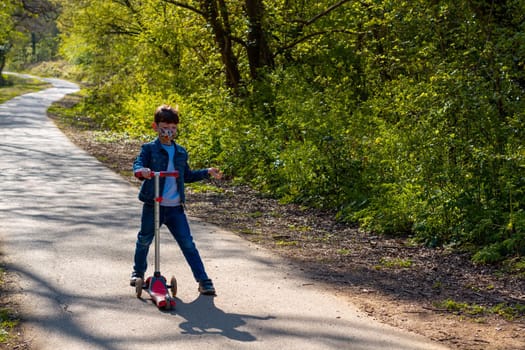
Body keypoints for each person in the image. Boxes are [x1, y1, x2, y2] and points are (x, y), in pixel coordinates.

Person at [130, 104, 222, 295]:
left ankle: (203, 280)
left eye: (173, 128)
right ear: (155, 127)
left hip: (174, 207)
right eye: (165, 126)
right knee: (145, 239)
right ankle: (138, 272)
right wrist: (142, 172)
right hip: (153, 204)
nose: (169, 131)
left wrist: (207, 172)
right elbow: (138, 165)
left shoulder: (180, 152)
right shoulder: (148, 149)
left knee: (187, 243)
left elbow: (186, 175)